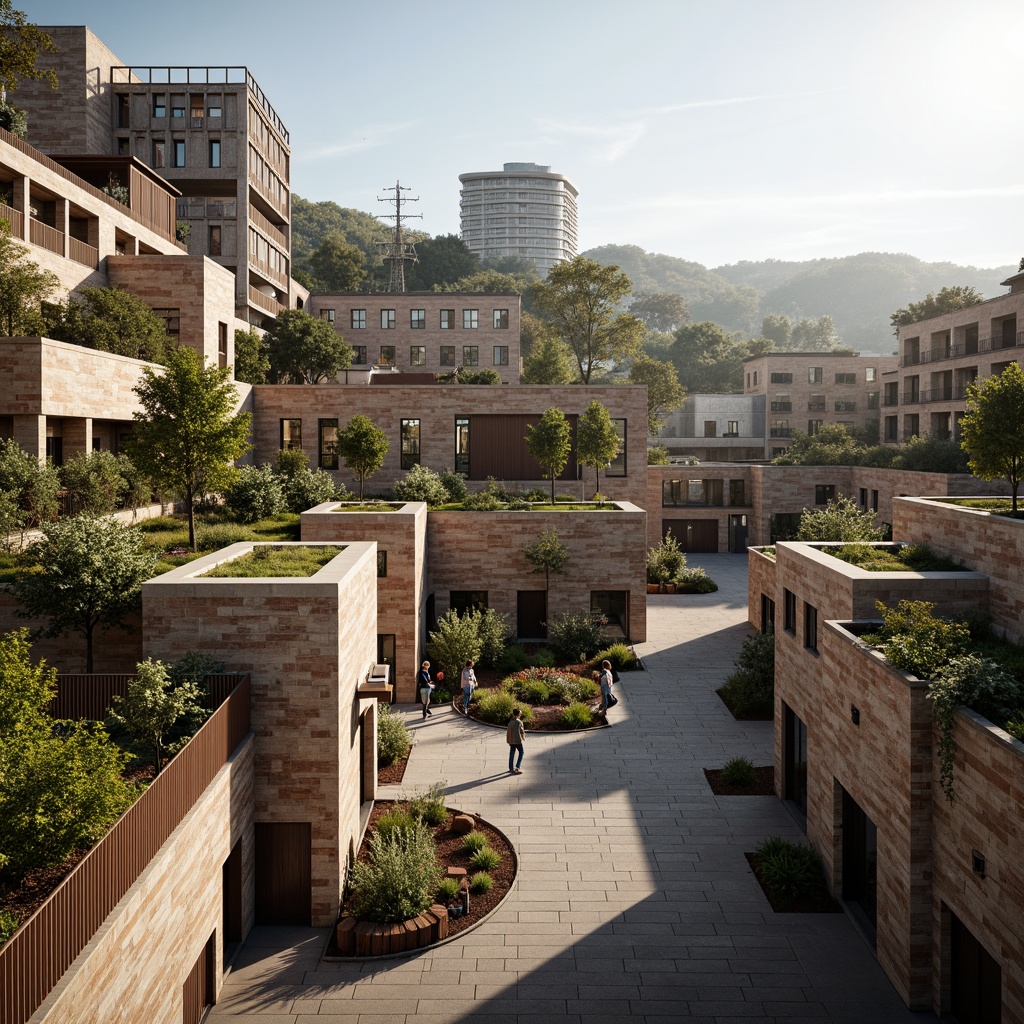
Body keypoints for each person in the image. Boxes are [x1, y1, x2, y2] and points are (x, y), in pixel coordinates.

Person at [506, 707, 525, 774]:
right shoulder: (519, 722)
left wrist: (508, 740)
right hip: (517, 740)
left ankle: (511, 768)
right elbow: (522, 731)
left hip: (511, 741)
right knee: (521, 752)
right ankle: (517, 767)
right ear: (518, 714)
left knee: (512, 753)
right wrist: (523, 738)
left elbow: (508, 732)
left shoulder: (510, 722)